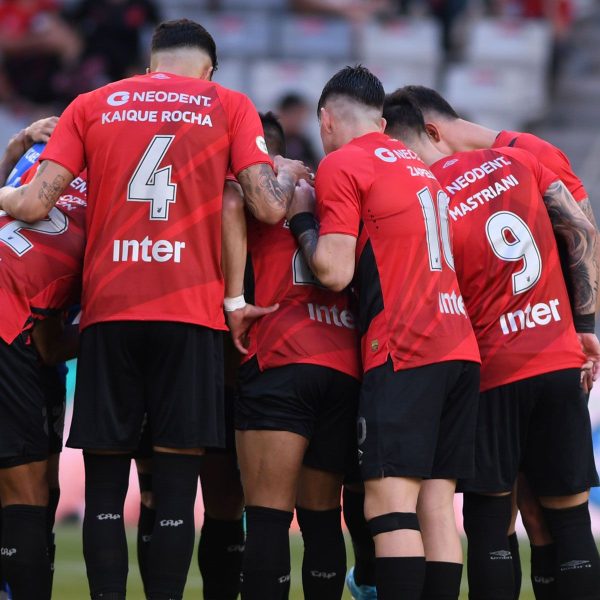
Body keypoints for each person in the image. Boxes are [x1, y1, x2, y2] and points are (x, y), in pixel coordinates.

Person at [0, 18, 311, 600]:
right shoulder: (229, 104)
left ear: (149, 66)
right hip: (188, 315)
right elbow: (266, 210)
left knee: (105, 490)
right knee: (171, 488)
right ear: (208, 70)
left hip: (110, 313)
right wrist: (282, 178)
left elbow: (38, 201)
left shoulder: (93, 104)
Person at [383, 91, 600, 600]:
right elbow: (581, 231)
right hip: (557, 355)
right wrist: (585, 324)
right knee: (568, 521)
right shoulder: (518, 160)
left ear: (421, 139)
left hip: (490, 371)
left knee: (489, 523)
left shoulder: (426, 195)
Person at [286, 65, 481, 600]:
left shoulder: (344, 163)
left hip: (405, 344)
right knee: (437, 507)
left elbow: (333, 270)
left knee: (389, 503)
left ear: (326, 121)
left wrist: (303, 218)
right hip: (459, 345)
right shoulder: (420, 167)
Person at [225, 110, 361, 600]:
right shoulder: (336, 192)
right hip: (344, 363)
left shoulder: (256, 194)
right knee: (323, 516)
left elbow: (228, 204)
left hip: (280, 356)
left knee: (267, 516)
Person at [0, 128, 86, 600]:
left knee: (36, 489)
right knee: (29, 494)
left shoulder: (41, 160)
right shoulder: (124, 201)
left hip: (22, 322)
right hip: (12, 320)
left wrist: (17, 146)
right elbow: (53, 346)